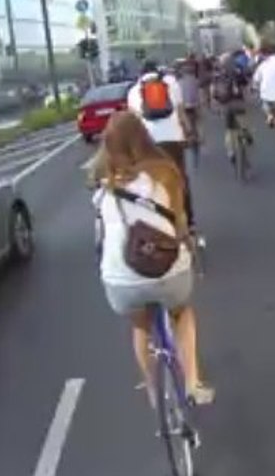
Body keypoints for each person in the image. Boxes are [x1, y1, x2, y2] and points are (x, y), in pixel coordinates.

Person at [91, 112, 214, 406]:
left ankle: (152, 391)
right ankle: (193, 384)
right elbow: (181, 226)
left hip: (122, 281)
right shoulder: (166, 175)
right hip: (170, 272)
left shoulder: (103, 191)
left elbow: (100, 237)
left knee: (140, 325)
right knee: (182, 314)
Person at [128, 60, 197, 232]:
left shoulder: (133, 91)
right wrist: (189, 131)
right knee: (180, 178)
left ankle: (158, 222)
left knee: (150, 181)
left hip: (149, 142)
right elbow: (180, 111)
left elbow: (134, 122)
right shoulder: (171, 83)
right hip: (173, 138)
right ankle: (189, 222)